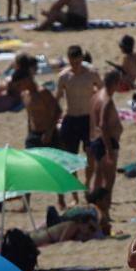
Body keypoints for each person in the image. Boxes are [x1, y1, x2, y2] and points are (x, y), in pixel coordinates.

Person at [56, 45, 101, 191]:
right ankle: (75, 189)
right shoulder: (64, 76)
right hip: (71, 118)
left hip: (88, 119)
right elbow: (57, 98)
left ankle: (87, 183)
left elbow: (103, 93)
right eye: (72, 62)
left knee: (91, 155)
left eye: (77, 62)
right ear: (68, 60)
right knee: (70, 158)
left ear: (81, 58)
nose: (75, 65)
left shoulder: (91, 74)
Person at [9, 54, 61, 149]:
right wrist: (29, 132)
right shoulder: (24, 95)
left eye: (20, 85)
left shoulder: (43, 92)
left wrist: (49, 132)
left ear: (27, 80)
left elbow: (58, 111)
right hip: (33, 135)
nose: (19, 88)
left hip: (48, 134)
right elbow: (30, 116)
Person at [90, 70, 123, 197]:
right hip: (106, 143)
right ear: (115, 83)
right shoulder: (107, 100)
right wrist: (109, 150)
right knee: (109, 180)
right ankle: (105, 211)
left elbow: (92, 121)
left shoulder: (96, 96)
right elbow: (103, 125)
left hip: (96, 141)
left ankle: (94, 208)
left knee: (98, 178)